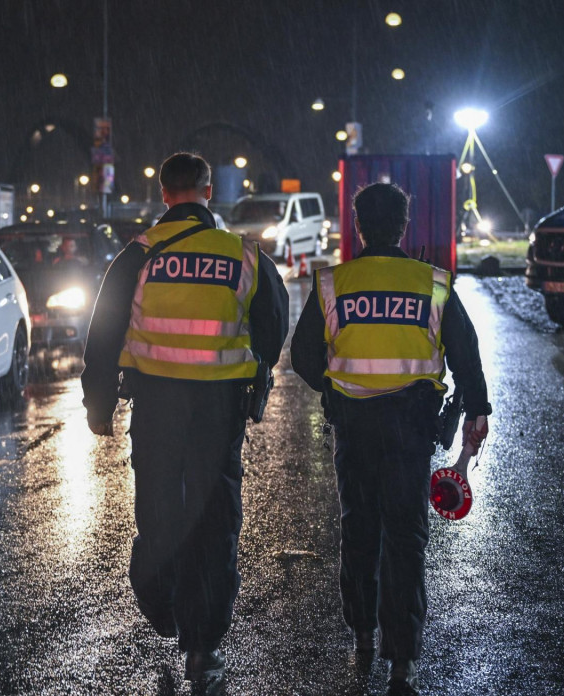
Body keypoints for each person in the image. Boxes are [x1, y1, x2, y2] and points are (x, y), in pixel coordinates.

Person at [81, 152, 288, 688]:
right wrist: (256, 372)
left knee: (157, 515)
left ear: (165, 194)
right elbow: (274, 318)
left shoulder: (138, 254)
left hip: (157, 407)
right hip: (218, 411)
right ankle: (203, 646)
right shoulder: (242, 254)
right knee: (215, 519)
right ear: (207, 190)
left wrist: (98, 403)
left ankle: (164, 602)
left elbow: (103, 332)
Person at [290, 182, 491, 696]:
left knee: (359, 529)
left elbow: (304, 357)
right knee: (405, 538)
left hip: (354, 427)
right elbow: (466, 353)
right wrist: (477, 410)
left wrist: (336, 389)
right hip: (411, 427)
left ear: (358, 226)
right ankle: (400, 661)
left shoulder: (335, 283)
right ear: (404, 226)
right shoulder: (433, 282)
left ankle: (361, 636)